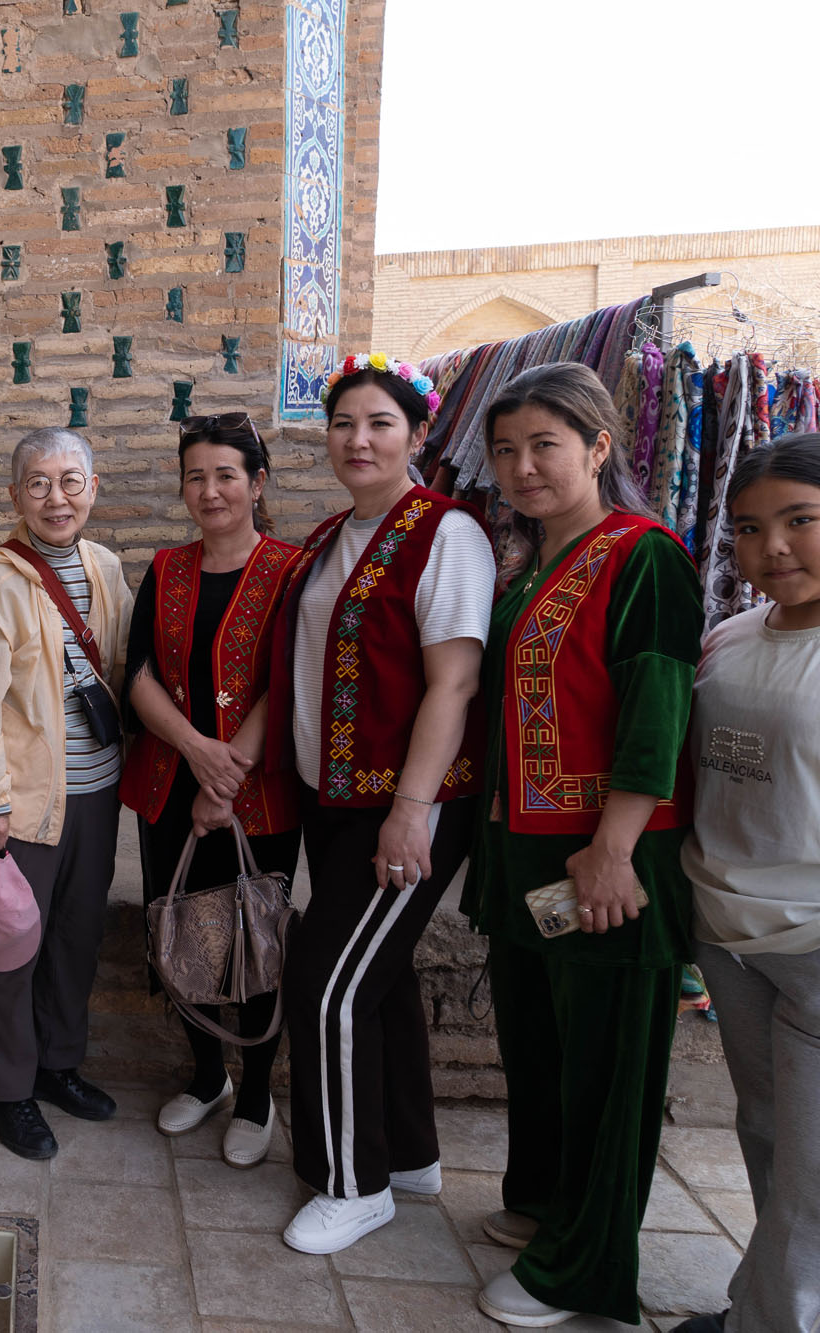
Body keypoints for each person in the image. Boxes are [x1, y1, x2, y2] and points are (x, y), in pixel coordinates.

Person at [460, 364, 701, 1329]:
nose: (522, 467)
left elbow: (657, 712)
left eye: (544, 445)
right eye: (505, 449)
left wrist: (612, 850)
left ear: (599, 446)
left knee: (605, 1068)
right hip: (528, 856)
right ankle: (547, 1208)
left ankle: (583, 1268)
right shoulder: (532, 567)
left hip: (607, 861)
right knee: (541, 1049)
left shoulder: (644, 557)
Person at [673, 433, 820, 1333]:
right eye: (748, 528)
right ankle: (756, 1314)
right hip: (734, 948)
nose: (771, 546)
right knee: (775, 1149)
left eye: (800, 520)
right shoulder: (732, 638)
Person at [265, 354, 495, 1254]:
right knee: (379, 977)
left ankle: (351, 1183)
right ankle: (407, 1153)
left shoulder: (447, 534)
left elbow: (454, 682)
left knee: (324, 983)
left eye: (380, 423)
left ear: (419, 433)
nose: (357, 440)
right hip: (333, 799)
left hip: (405, 802)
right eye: (342, 424)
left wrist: (411, 809)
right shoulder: (334, 534)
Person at [0, 427, 134, 1161]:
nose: (56, 498)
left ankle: (57, 1065)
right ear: (16, 495)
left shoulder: (105, 568)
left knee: (76, 935)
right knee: (7, 942)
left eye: (71, 481)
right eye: (38, 484)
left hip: (95, 794)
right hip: (19, 801)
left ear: (93, 488)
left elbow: (121, 668)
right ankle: (7, 1090)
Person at [120, 413, 304, 1166]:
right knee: (180, 930)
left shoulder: (291, 570)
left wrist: (224, 779)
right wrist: (196, 750)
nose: (210, 490)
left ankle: (256, 1091)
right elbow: (137, 673)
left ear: (257, 483)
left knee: (254, 939)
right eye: (195, 476)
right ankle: (206, 1075)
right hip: (170, 782)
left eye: (226, 474)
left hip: (256, 797)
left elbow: (283, 679)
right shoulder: (167, 567)